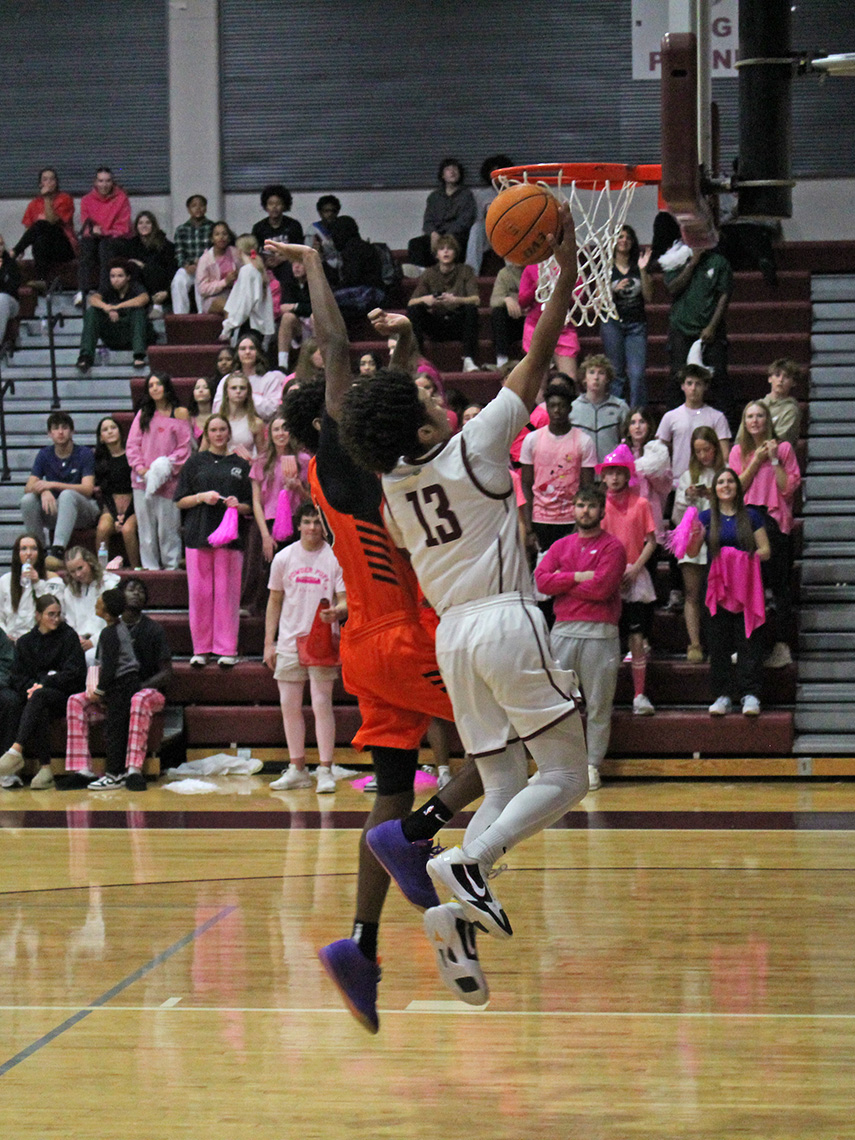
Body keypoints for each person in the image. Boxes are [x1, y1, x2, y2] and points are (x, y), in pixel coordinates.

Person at [337, 202, 589, 946]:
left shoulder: (391, 484)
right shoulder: (476, 445)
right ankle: (470, 862)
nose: (436, 394)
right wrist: (565, 266)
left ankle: (450, 923)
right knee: (568, 777)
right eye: (426, 398)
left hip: (453, 641)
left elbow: (389, 407)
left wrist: (401, 352)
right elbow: (538, 354)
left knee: (505, 781)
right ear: (421, 427)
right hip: (505, 619)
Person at [265, 238, 488, 1032]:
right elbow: (331, 345)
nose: (350, 387)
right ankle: (423, 838)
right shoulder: (346, 453)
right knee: (516, 752)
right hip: (401, 636)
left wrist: (400, 345)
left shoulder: (342, 469)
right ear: (323, 416)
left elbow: (390, 396)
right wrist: (313, 266)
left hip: (364, 643)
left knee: (391, 785)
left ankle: (360, 944)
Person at [535, 485, 626, 791]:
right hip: (563, 630)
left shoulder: (613, 548)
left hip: (600, 634)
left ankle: (591, 766)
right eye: (580, 505)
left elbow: (602, 588)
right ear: (573, 509)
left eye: (591, 506)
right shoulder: (560, 546)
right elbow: (542, 582)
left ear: (602, 511)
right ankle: (554, 767)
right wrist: (578, 577)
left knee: (599, 704)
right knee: (555, 703)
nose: (585, 511)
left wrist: (564, 582)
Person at [263, 502, 346, 795]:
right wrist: (268, 643)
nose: (313, 527)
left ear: (325, 526)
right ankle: (297, 768)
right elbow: (274, 601)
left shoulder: (335, 558)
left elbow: (345, 599)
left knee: (322, 703)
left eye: (317, 522)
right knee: (289, 706)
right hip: (288, 641)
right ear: (298, 525)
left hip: (323, 641)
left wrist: (337, 612)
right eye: (307, 522)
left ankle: (325, 769)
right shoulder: (284, 558)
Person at [62, 577, 172, 790]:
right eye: (131, 589)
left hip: (145, 691)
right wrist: (98, 691)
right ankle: (82, 769)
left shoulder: (153, 630)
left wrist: (123, 690)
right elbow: (101, 665)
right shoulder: (109, 629)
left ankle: (132, 771)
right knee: (75, 701)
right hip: (116, 688)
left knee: (137, 701)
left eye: (141, 589)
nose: (137, 593)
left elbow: (167, 673)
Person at [686, 468, 771, 715]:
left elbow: (765, 549)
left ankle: (750, 694)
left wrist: (744, 558)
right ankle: (722, 695)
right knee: (718, 641)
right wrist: (693, 535)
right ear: (714, 489)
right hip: (716, 588)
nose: (726, 485)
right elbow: (692, 553)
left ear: (737, 486)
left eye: (730, 481)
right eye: (721, 482)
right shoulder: (705, 517)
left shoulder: (752, 516)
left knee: (749, 640)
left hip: (746, 586)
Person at [174, 414, 253, 667]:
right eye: (214, 430)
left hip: (230, 537)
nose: (218, 434)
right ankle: (201, 649)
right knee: (200, 593)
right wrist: (200, 497)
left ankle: (226, 648)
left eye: (223, 430)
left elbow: (250, 505)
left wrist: (236, 505)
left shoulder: (241, 465)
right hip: (198, 534)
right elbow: (180, 500)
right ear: (206, 434)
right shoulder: (194, 463)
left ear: (229, 433)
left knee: (227, 594)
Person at [728, 400, 801, 668]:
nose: (755, 421)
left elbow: (787, 489)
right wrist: (757, 460)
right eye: (750, 417)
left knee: (779, 588)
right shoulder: (738, 451)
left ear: (768, 420)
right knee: (748, 588)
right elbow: (737, 487)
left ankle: (782, 647)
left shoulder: (783, 449)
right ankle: (749, 645)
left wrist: (772, 459)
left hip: (775, 524)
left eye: (760, 416)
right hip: (748, 523)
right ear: (745, 423)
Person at [0, 593, 86, 789]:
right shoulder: (25, 642)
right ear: (38, 615)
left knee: (39, 698)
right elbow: (17, 676)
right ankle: (45, 770)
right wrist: (31, 687)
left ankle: (16, 750)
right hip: (36, 697)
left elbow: (74, 673)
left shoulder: (68, 637)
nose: (55, 619)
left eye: (58, 614)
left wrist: (45, 682)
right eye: (50, 614)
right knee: (35, 704)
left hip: (64, 695)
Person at [598, 444, 658, 716]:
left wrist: (635, 570)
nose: (614, 478)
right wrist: (610, 572)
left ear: (627, 475)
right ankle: (605, 696)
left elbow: (651, 541)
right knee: (608, 638)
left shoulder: (642, 503)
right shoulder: (599, 507)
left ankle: (639, 694)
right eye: (610, 472)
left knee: (636, 637)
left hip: (634, 575)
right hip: (607, 578)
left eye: (619, 472)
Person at [68, 588, 142, 792]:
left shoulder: (110, 633)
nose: (95, 605)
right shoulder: (117, 628)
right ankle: (117, 773)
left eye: (99, 603)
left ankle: (114, 775)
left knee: (115, 730)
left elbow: (109, 668)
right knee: (115, 729)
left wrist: (100, 691)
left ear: (107, 611)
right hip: (124, 684)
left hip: (122, 685)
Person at [663, 235, 734, 424]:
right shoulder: (675, 258)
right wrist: (692, 263)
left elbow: (724, 296)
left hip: (710, 331)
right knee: (677, 379)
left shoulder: (719, 262)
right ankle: (672, 427)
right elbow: (672, 288)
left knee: (719, 378)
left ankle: (728, 430)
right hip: (681, 329)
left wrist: (712, 326)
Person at [520, 381, 596, 555]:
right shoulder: (532, 440)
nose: (557, 410)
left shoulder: (584, 441)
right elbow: (526, 484)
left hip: (571, 519)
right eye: (552, 406)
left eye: (561, 406)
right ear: (546, 408)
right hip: (540, 520)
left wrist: (580, 523)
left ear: (570, 408)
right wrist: (529, 527)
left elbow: (587, 487)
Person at [126, 372, 192, 570]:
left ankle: (171, 566)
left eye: (158, 384)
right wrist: (142, 469)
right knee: (146, 529)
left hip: (169, 480)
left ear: (166, 387)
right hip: (142, 480)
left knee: (168, 529)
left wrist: (165, 467)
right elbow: (132, 445)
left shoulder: (179, 414)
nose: (154, 388)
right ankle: (150, 567)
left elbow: (184, 447)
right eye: (151, 385)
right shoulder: (143, 414)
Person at [672, 427, 726, 663]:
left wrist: (712, 497)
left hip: (719, 539)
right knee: (692, 594)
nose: (703, 455)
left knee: (721, 594)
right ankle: (694, 643)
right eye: (698, 451)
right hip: (693, 539)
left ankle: (721, 644)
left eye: (707, 449)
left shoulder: (725, 474)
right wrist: (688, 499)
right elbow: (676, 517)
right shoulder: (687, 477)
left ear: (715, 447)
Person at [20, 411, 99, 565]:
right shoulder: (44, 454)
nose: (60, 432)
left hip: (84, 511)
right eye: (56, 428)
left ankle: (57, 551)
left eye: (64, 427)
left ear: (72, 431)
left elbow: (88, 489)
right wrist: (44, 490)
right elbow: (29, 486)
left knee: (67, 495)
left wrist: (53, 484)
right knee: (27, 500)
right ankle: (39, 551)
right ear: (50, 433)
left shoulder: (84, 453)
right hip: (58, 512)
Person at [407, 234, 480, 373]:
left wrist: (457, 300)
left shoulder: (465, 270)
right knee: (414, 309)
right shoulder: (429, 273)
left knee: (471, 309)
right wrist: (426, 299)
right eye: (442, 249)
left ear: (455, 252)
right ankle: (418, 358)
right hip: (437, 322)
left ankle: (468, 359)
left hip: (457, 322)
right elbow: (411, 302)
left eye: (449, 249)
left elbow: (476, 299)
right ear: (437, 254)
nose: (446, 252)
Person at [600, 225, 653, 406]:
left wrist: (643, 270)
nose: (624, 241)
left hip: (636, 325)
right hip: (612, 324)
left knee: (637, 374)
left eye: (628, 238)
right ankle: (618, 417)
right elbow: (599, 301)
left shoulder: (638, 266)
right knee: (617, 375)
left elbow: (649, 296)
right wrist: (613, 289)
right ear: (614, 242)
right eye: (620, 237)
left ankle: (638, 416)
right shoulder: (606, 268)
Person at [656, 364, 731, 487]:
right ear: (682, 386)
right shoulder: (670, 417)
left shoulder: (717, 417)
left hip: (708, 482)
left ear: (705, 386)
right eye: (689, 383)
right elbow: (658, 452)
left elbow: (724, 454)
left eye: (698, 384)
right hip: (677, 482)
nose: (693, 388)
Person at [76, 258, 153, 373]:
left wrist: (117, 307)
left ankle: (139, 356)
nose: (115, 280)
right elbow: (93, 299)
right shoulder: (107, 288)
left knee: (138, 312)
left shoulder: (135, 287)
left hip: (132, 334)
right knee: (92, 311)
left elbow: (144, 298)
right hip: (114, 333)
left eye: (120, 276)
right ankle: (85, 356)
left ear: (128, 277)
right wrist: (106, 308)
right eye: (112, 276)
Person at [251, 413, 310, 563]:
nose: (281, 433)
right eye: (276, 430)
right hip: (270, 523)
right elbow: (256, 502)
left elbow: (312, 499)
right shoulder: (261, 462)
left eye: (285, 429)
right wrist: (265, 535)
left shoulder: (304, 460)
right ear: (270, 435)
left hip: (297, 522)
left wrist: (298, 488)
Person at [10, 168, 76, 284]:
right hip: (45, 250)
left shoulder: (65, 199)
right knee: (39, 240)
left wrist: (47, 198)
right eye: (45, 179)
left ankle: (13, 252)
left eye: (52, 179)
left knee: (42, 224)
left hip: (64, 248)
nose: (49, 182)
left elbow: (52, 221)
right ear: (41, 184)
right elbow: (29, 230)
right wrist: (23, 250)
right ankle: (41, 281)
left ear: (56, 182)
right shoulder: (34, 203)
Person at [76, 167, 132, 301]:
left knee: (105, 246)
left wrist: (104, 232)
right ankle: (82, 291)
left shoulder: (122, 198)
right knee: (86, 245)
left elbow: (123, 227)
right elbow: (85, 225)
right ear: (95, 182)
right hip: (95, 238)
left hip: (117, 239)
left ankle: (103, 291)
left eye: (108, 181)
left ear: (112, 182)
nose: (104, 185)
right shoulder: (86, 200)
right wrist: (92, 231)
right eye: (101, 181)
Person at [408, 158, 476, 268]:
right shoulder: (434, 196)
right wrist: (433, 233)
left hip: (456, 235)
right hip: (436, 234)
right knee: (415, 244)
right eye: (448, 169)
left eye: (455, 169)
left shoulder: (466, 195)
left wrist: (447, 236)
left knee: (454, 244)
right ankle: (421, 275)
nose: (452, 172)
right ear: (443, 175)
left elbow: (465, 220)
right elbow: (428, 220)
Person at [519, 260, 580, 381]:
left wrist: (563, 288)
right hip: (536, 326)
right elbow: (522, 301)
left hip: (563, 327)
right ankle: (540, 401)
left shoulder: (570, 266)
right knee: (537, 380)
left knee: (570, 379)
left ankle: (565, 399)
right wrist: (536, 287)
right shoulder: (531, 268)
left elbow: (580, 298)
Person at [59, 546, 120, 666]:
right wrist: (77, 640)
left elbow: (115, 622)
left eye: (80, 568)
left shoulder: (109, 584)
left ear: (90, 563)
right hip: (79, 641)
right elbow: (70, 622)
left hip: (104, 640)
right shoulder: (70, 591)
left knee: (89, 657)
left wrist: (93, 641)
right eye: (72, 571)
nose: (78, 574)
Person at [93, 415, 139, 569]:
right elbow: (104, 492)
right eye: (105, 430)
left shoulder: (132, 455)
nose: (110, 431)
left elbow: (137, 487)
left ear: (120, 431)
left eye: (113, 428)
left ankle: (136, 568)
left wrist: (125, 516)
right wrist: (115, 516)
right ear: (101, 438)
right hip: (111, 505)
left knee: (127, 529)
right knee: (103, 528)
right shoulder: (100, 461)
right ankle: (101, 568)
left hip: (134, 504)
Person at [623, 407, 672, 547]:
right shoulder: (621, 451)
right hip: (628, 519)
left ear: (649, 425)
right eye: (633, 422)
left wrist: (647, 468)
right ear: (627, 428)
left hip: (652, 515)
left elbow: (665, 487)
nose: (637, 426)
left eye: (642, 422)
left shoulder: (658, 451)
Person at [0, 534, 62, 642]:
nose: (28, 553)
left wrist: (38, 584)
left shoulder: (53, 581)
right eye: (24, 549)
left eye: (34, 549)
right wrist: (5, 636)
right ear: (17, 554)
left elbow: (55, 612)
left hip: (40, 641)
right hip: (9, 640)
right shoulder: (5, 580)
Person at [212, 333, 286, 421]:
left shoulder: (270, 378)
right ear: (237, 353)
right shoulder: (227, 379)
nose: (247, 352)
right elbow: (217, 409)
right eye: (243, 349)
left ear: (258, 352)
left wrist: (246, 397)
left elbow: (273, 409)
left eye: (252, 348)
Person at [570, 354, 630, 462]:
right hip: (582, 470)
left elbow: (627, 441)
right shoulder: (573, 408)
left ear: (607, 379)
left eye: (601, 373)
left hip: (611, 472)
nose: (596, 377)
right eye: (591, 372)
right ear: (584, 378)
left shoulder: (620, 407)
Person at [219, 234, 275, 344]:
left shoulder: (247, 271)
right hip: (258, 326)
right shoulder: (258, 269)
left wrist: (228, 326)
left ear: (239, 251)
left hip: (248, 325)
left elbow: (244, 304)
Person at [251, 184, 303, 288]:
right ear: (266, 206)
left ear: (284, 205)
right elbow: (253, 253)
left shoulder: (293, 226)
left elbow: (300, 251)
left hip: (288, 267)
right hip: (266, 268)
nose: (274, 207)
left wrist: (283, 258)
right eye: (270, 204)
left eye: (278, 203)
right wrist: (264, 260)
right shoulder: (258, 228)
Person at [125, 211, 176, 314]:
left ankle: (157, 306)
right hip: (140, 287)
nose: (144, 226)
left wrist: (144, 266)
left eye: (148, 223)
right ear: (136, 226)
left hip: (161, 285)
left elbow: (172, 270)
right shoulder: (131, 245)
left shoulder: (165, 245)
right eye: (140, 223)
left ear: (153, 225)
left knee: (151, 269)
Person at [171, 194, 214, 314]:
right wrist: (186, 265)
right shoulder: (181, 229)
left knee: (201, 286)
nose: (198, 208)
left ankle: (203, 318)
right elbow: (179, 252)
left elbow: (215, 251)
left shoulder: (212, 227)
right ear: (188, 209)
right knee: (178, 281)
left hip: (207, 268)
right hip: (189, 267)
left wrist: (202, 264)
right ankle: (180, 318)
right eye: (194, 206)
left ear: (206, 208)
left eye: (201, 205)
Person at [215, 372, 266, 461]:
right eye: (233, 388)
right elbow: (203, 453)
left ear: (248, 393)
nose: (238, 391)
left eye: (242, 388)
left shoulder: (256, 422)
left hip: (244, 468)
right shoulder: (215, 421)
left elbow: (263, 457)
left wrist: (252, 461)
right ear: (226, 392)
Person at [196, 221, 240, 313]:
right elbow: (202, 289)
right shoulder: (205, 259)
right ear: (212, 239)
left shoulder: (235, 253)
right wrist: (224, 282)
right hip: (212, 298)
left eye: (224, 234)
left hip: (234, 294)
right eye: (217, 234)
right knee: (229, 308)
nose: (221, 237)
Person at [276, 257, 312, 369]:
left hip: (317, 323)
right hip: (300, 325)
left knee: (315, 316)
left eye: (300, 263)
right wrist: (301, 308)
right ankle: (282, 364)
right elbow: (283, 307)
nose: (296, 267)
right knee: (287, 317)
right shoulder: (289, 280)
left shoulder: (318, 281)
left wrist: (296, 306)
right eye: (294, 263)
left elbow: (319, 307)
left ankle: (320, 356)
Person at [761, 358, 803, 448]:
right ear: (769, 378)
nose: (781, 380)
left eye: (786, 377)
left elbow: (779, 440)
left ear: (793, 383)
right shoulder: (756, 406)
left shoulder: (791, 410)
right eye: (777, 375)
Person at [489, 260, 524, 369]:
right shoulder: (504, 273)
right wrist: (506, 299)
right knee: (498, 312)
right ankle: (502, 359)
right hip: (514, 322)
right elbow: (494, 300)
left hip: (533, 319)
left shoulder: (537, 271)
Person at [308, 194, 343, 273]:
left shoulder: (342, 227)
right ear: (320, 213)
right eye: (326, 211)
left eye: (333, 211)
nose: (330, 214)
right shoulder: (313, 230)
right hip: (322, 268)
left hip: (342, 268)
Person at [0, 234, 22, 352]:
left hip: (10, 302)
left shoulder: (9, 262)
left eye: (1, 244)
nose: (0, 247)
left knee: (1, 298)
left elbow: (12, 287)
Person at [189, 375, 215, 443]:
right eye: (197, 388)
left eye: (205, 388)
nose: (201, 390)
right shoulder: (189, 419)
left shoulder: (219, 416)